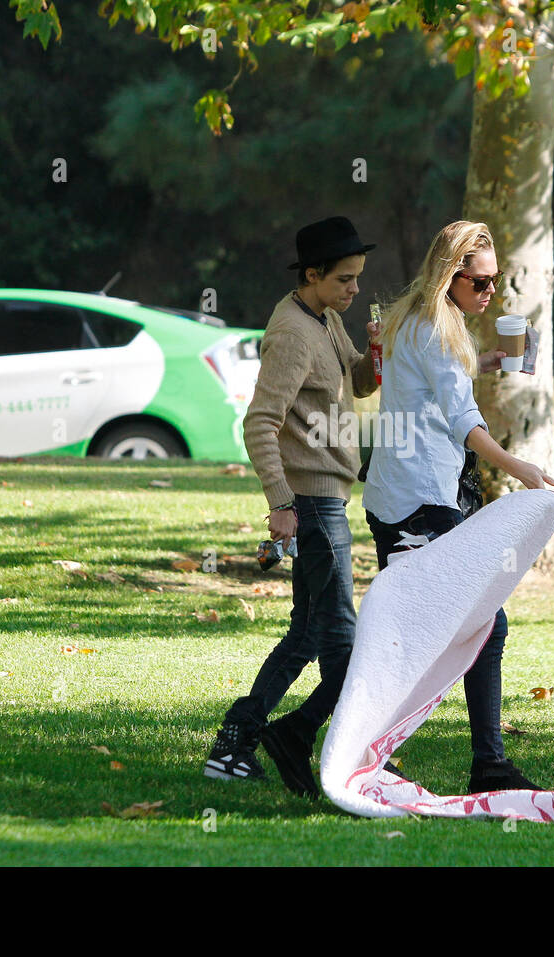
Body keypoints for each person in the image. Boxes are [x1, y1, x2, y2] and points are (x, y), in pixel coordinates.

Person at [363, 220, 554, 793]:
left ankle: (376, 751)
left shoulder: (421, 320)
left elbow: (438, 384)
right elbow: (460, 417)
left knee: (420, 629)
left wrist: (493, 361)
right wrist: (515, 465)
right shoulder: (433, 328)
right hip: (420, 499)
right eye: (479, 282)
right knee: (481, 625)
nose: (490, 293)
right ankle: (484, 763)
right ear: (451, 276)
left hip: (398, 493)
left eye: (496, 282)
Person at [204, 216, 381, 796]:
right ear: (313, 275)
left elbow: (354, 384)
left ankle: (237, 741)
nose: (354, 288)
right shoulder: (291, 334)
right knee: (342, 639)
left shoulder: (324, 317)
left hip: (327, 498)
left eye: (357, 277)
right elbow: (259, 422)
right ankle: (338, 749)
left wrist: (373, 356)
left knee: (308, 634)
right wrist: (281, 504)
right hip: (312, 503)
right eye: (345, 279)